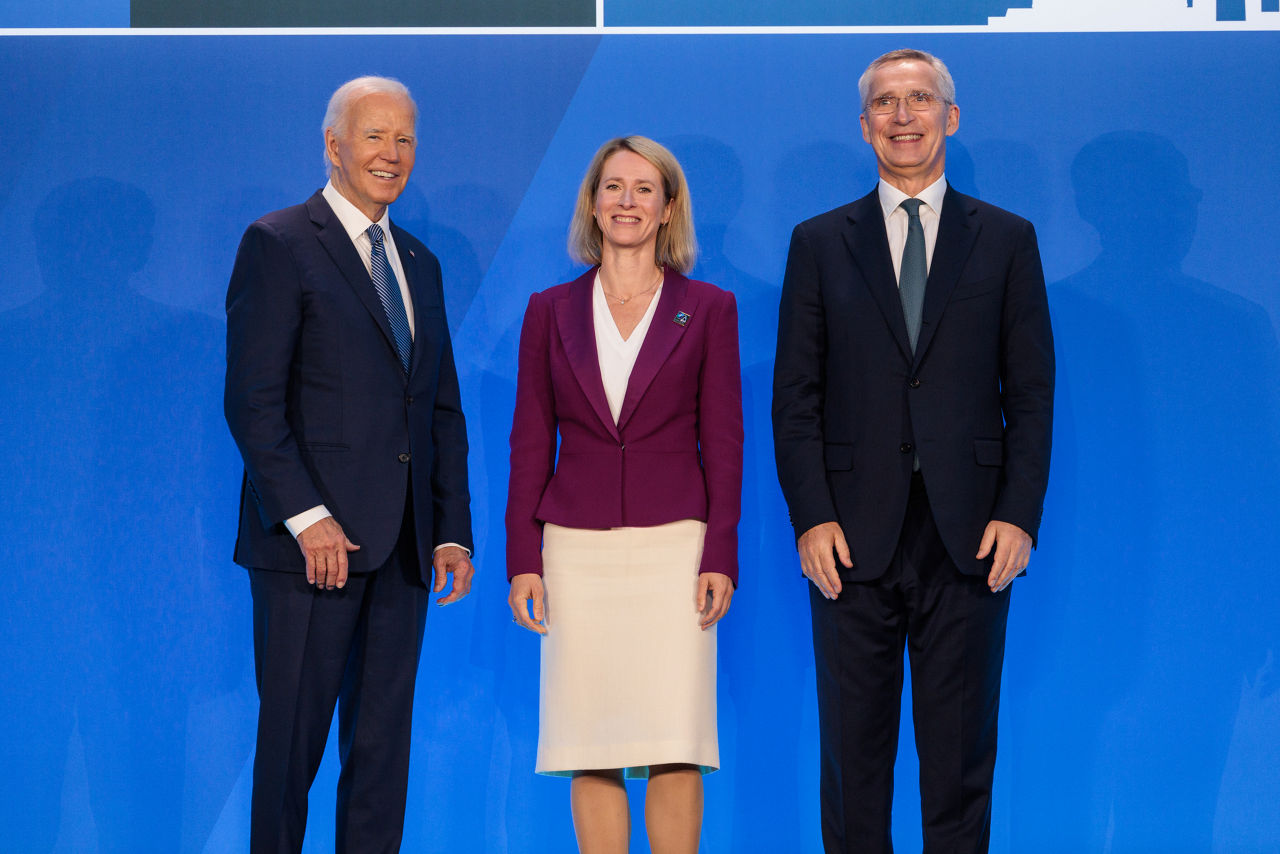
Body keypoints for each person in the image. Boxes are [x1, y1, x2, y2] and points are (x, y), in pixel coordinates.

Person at [771, 49, 1054, 854]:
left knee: (960, 764)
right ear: (865, 128)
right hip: (850, 539)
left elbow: (1030, 395)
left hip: (971, 538)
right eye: (886, 103)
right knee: (853, 766)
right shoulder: (820, 242)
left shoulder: (1006, 239)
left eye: (920, 99)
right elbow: (795, 398)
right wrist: (811, 518)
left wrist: (1019, 516)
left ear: (950, 117)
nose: (904, 115)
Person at [224, 76, 475, 854]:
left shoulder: (419, 262)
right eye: (374, 136)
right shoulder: (279, 242)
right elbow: (252, 403)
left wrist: (451, 531)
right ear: (333, 146)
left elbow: (438, 408)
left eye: (404, 139)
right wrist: (307, 517)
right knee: (290, 754)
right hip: (310, 554)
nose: (391, 154)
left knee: (380, 757)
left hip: (402, 552)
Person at [505, 135, 742, 854]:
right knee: (592, 739)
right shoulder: (549, 310)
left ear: (669, 208)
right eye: (613, 187)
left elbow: (725, 442)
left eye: (643, 189)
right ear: (593, 203)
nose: (626, 202)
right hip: (575, 550)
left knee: (677, 737)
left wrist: (720, 553)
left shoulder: (707, 308)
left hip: (677, 548)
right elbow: (528, 441)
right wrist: (524, 559)